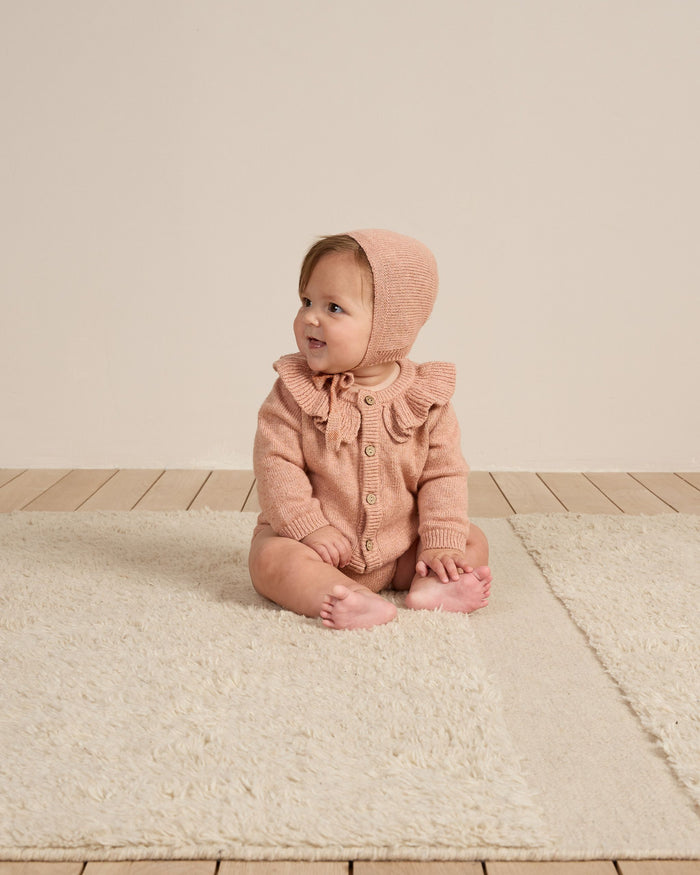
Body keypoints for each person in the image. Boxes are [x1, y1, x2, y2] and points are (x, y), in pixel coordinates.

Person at [248, 229, 491, 630]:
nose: (310, 316)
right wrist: (309, 527)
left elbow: (444, 475)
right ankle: (342, 594)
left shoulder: (426, 398)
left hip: (402, 547)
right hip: (318, 546)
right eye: (306, 301)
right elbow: (275, 464)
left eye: (334, 308)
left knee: (467, 539)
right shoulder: (295, 390)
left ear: (388, 326)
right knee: (270, 558)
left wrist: (440, 541)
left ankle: (433, 585)